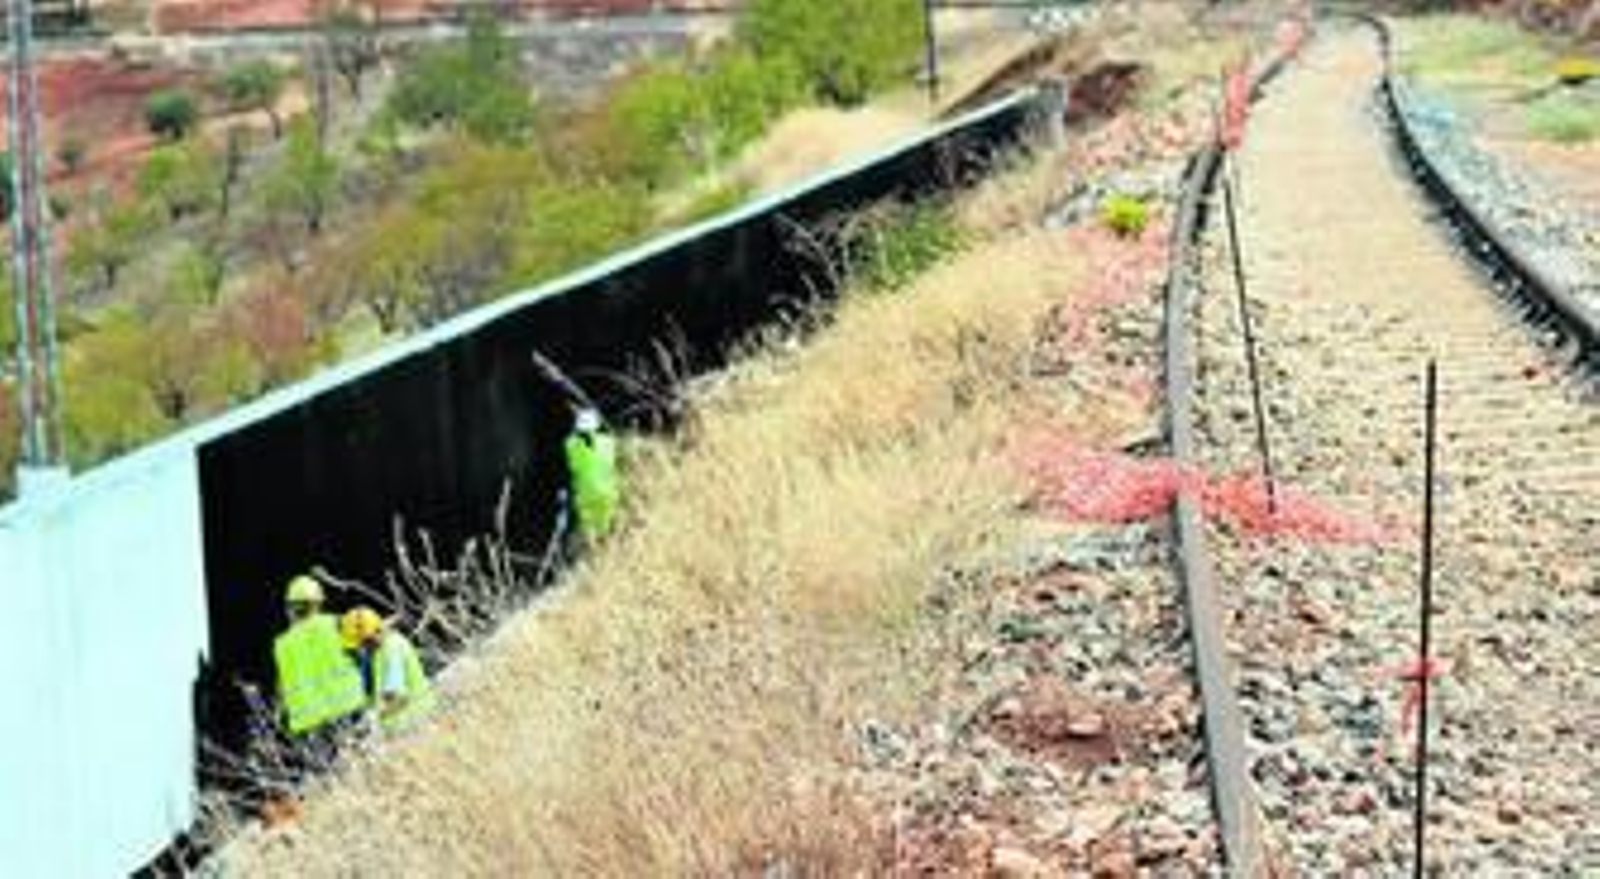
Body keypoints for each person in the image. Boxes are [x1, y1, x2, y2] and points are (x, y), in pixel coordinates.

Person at [340, 606, 436, 734]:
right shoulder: (379, 652)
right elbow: (384, 694)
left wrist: (373, 718)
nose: (361, 649)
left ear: (373, 636)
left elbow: (398, 699)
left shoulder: (392, 649)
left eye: (362, 643)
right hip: (408, 729)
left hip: (417, 725)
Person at [563, 407, 620, 545]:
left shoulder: (571, 444)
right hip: (608, 493)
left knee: (590, 531)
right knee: (606, 530)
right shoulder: (609, 443)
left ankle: (595, 547)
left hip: (586, 495)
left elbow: (573, 464)